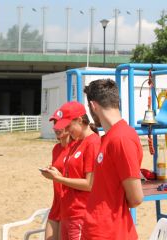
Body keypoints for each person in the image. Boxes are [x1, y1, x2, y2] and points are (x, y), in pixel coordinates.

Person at [82, 79, 143, 240]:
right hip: (100, 229)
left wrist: (110, 208)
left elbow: (136, 197)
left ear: (93, 106)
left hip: (110, 232)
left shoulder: (121, 138)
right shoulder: (110, 137)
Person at [43, 101, 101, 240]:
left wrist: (58, 178)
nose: (67, 131)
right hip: (68, 211)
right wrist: (57, 174)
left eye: (68, 126)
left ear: (80, 120)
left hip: (81, 213)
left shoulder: (92, 143)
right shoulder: (78, 143)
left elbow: (90, 184)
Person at [40, 107, 76, 240]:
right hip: (57, 203)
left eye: (59, 124)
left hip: (70, 204)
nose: (56, 127)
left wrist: (59, 176)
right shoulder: (56, 149)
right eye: (54, 124)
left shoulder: (77, 147)